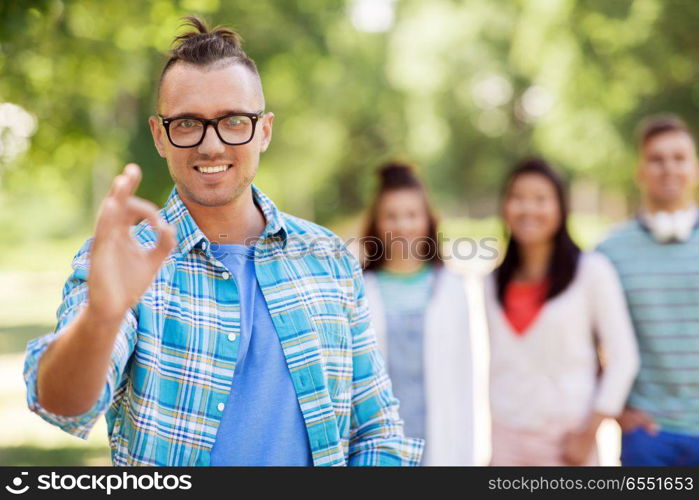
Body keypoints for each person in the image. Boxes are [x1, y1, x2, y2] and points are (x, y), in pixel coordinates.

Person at [22, 16, 422, 467]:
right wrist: (101, 317)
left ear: (264, 130)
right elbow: (62, 405)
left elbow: (376, 428)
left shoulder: (328, 257)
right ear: (159, 135)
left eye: (234, 121)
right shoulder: (119, 261)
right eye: (188, 123)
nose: (211, 146)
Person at [484, 158, 639, 466]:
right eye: (518, 198)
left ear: (560, 207)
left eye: (541, 199)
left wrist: (589, 434)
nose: (528, 209)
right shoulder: (492, 281)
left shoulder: (592, 272)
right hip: (505, 441)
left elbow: (624, 358)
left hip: (568, 443)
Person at [597, 115, 699, 466]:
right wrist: (615, 408)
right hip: (647, 437)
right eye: (656, 159)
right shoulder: (609, 252)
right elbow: (585, 338)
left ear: (695, 168)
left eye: (679, 158)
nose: (668, 168)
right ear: (639, 170)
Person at [361, 162, 474, 465]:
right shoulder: (358, 290)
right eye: (391, 216)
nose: (402, 226)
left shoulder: (451, 288)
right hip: (377, 448)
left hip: (441, 447)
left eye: (412, 215)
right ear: (377, 223)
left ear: (427, 220)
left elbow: (465, 382)